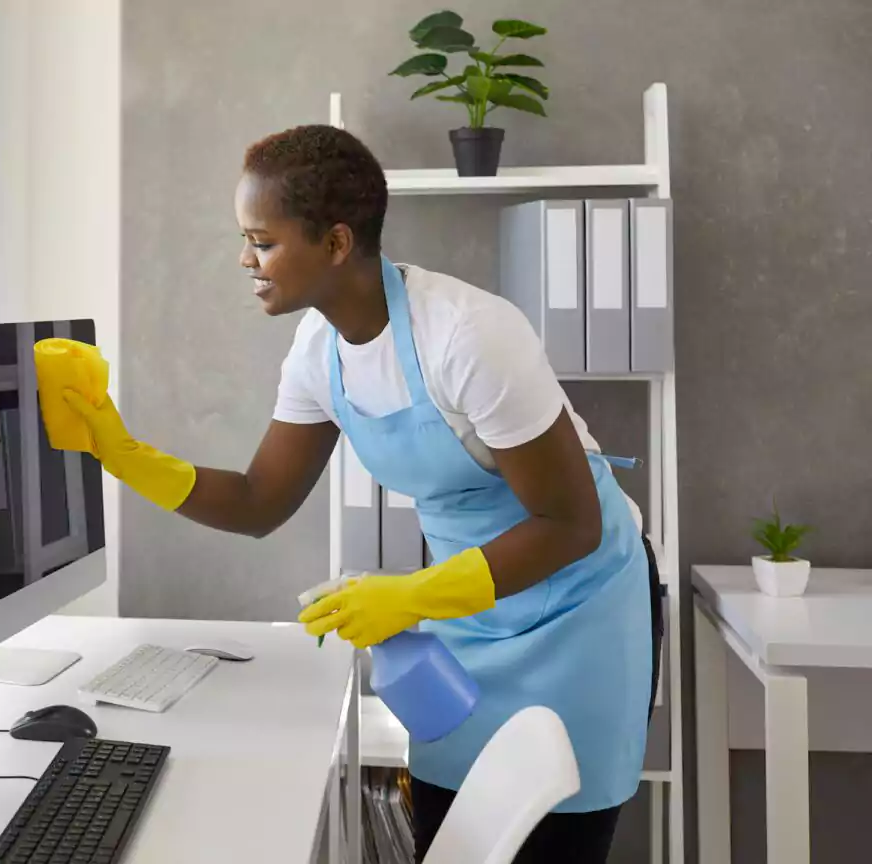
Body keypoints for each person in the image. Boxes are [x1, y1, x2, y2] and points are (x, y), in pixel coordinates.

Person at [56, 125, 663, 863]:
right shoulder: (319, 351)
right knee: (454, 837)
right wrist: (120, 452)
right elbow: (258, 501)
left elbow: (572, 524)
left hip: (577, 613)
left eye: (262, 241)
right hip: (464, 618)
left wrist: (410, 596)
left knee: (549, 840)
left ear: (337, 243)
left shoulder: (470, 337)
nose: (245, 259)